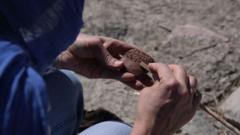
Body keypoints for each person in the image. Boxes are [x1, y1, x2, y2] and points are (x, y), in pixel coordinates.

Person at [0, 0, 201, 135]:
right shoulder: (9, 83)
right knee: (115, 131)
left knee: (63, 86)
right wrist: (152, 128)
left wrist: (55, 54)